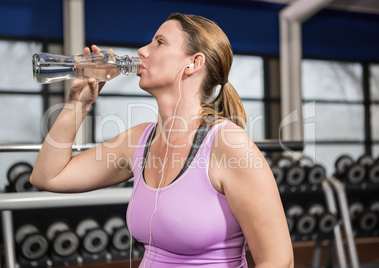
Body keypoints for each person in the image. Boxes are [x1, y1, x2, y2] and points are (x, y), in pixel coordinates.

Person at [30, 13, 293, 268]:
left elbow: (279, 261)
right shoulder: (139, 140)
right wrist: (78, 104)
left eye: (159, 42)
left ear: (193, 63)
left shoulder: (227, 143)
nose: (143, 51)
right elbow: (48, 176)